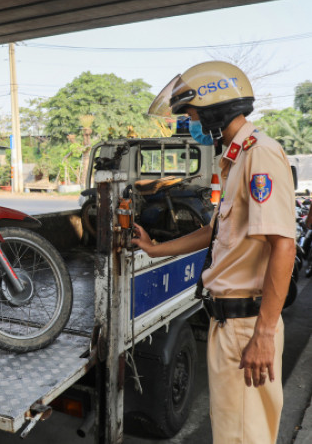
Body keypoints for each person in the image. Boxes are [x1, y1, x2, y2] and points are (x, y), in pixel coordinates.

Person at [138, 61, 296, 443]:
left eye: (190, 114)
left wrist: (263, 332)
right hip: (228, 322)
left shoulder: (261, 154)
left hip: (246, 325)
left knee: (243, 435)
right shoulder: (235, 158)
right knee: (232, 429)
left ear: (213, 110)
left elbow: (283, 244)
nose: (188, 123)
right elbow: (215, 233)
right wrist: (154, 249)